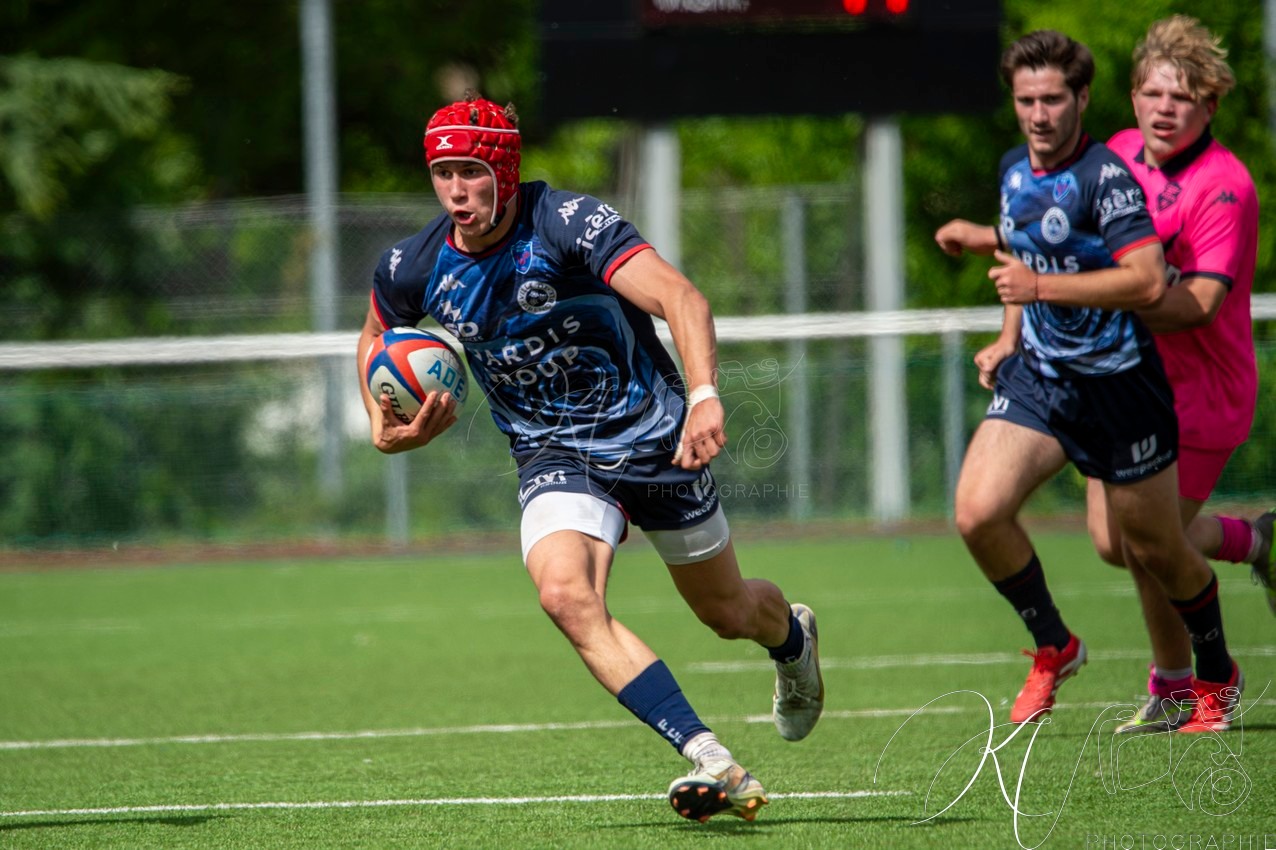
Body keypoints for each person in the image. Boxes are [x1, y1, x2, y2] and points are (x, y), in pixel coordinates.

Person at [356, 93, 824, 824]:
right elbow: (376, 336)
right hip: (552, 453)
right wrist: (385, 423)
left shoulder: (567, 224)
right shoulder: (415, 263)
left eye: (471, 172)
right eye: (442, 172)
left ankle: (792, 639)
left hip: (654, 435)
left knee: (727, 612)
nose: (455, 190)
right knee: (565, 596)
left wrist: (703, 395)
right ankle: (709, 756)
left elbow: (680, 297)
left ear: (504, 172)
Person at [934, 30, 1242, 733]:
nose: (1038, 116)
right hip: (1043, 382)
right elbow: (1025, 245)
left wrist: (1037, 283)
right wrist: (1008, 335)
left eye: (1052, 100)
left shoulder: (1108, 179)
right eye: (1025, 101)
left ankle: (1217, 673)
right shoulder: (1016, 169)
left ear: (1082, 99)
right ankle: (1054, 645)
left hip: (1120, 391)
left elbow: (1143, 279)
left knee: (1155, 548)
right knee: (978, 511)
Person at [1085, 16, 1269, 733]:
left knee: (1147, 541)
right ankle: (1255, 542)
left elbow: (1198, 305)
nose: (1167, 107)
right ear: (1132, 98)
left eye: (1185, 96)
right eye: (1154, 92)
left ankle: (1181, 683)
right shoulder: (1117, 155)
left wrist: (1102, 299)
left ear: (1210, 106)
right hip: (1131, 382)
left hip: (1203, 392)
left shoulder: (1224, 187)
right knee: (1115, 541)